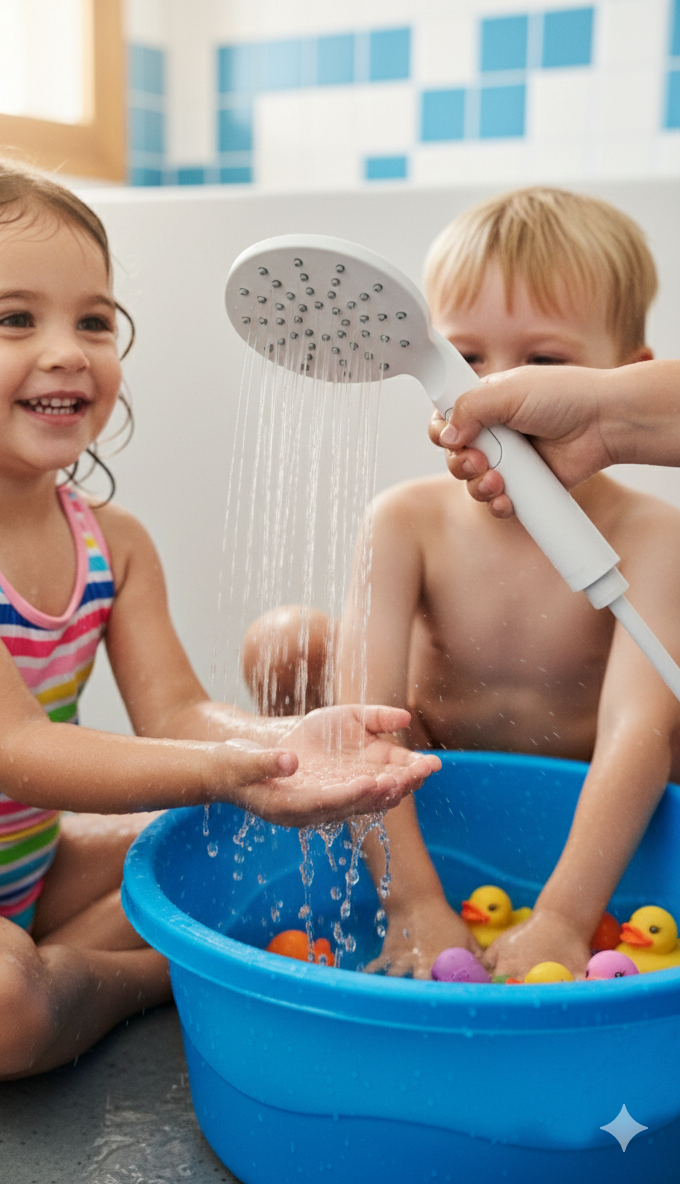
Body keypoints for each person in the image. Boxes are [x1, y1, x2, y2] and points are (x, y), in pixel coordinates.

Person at [0, 156, 439, 1113]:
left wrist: (280, 751)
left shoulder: (115, 543)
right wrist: (233, 773)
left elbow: (178, 710)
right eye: (16, 318)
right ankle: (124, 982)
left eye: (94, 321)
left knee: (265, 830)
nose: (69, 351)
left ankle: (32, 981)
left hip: (35, 869)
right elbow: (19, 752)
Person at [243, 187, 680, 981]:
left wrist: (562, 919)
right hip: (430, 787)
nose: (492, 392)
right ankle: (340, 850)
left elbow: (638, 734)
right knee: (290, 644)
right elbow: (362, 719)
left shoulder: (654, 534)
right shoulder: (406, 520)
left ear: (627, 380)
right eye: (465, 357)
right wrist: (413, 904)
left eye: (543, 361)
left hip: (589, 807)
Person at [429, 357, 680, 514]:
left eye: (542, 359)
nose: (492, 382)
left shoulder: (661, 538)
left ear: (631, 364)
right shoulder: (401, 521)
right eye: (467, 358)